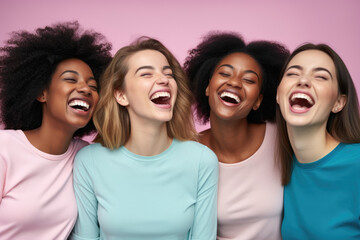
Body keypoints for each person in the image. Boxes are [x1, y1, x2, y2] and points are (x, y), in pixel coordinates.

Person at [70, 37, 218, 240]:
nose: (164, 79)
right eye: (146, 74)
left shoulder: (202, 160)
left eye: (168, 73)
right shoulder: (89, 161)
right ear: (121, 95)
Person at [0, 21, 112, 240]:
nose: (85, 89)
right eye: (71, 79)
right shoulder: (5, 148)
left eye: (93, 86)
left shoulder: (84, 156)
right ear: (42, 93)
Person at [184, 32, 289, 240]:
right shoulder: (187, 152)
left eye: (249, 79)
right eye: (224, 73)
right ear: (207, 87)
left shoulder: (281, 139)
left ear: (258, 100)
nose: (234, 83)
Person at [276, 43, 360, 239]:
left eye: (321, 76)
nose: (303, 80)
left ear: (338, 103)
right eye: (293, 73)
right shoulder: (281, 163)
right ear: (278, 95)